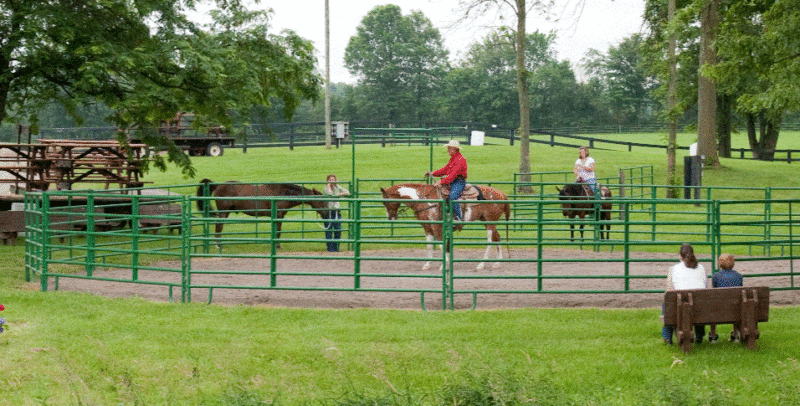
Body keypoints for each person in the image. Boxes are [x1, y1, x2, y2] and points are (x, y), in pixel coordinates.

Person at [662, 243, 708, 345]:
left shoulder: (674, 268)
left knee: (667, 303)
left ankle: (667, 337)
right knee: (700, 299)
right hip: (698, 308)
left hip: (680, 306)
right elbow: (705, 287)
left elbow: (669, 289)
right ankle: (699, 335)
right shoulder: (701, 268)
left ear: (680, 256)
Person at [424, 140, 468, 230]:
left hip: (459, 181)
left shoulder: (460, 159)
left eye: (449, 148)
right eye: (448, 148)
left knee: (452, 196)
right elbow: (445, 170)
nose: (448, 150)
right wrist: (433, 173)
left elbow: (453, 175)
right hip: (453, 181)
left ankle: (458, 218)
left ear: (455, 149)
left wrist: (441, 182)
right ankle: (446, 215)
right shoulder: (453, 158)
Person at [708, 253, 744, 343]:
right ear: (733, 263)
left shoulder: (716, 276)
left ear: (720, 264)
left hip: (718, 309)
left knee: (712, 304)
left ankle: (712, 334)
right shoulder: (739, 277)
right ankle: (735, 333)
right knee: (736, 304)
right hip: (735, 309)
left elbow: (715, 292)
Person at [323, 174, 349, 252]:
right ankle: (330, 249)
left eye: (333, 179)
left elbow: (347, 192)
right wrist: (328, 185)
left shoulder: (337, 187)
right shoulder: (326, 188)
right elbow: (329, 194)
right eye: (330, 180)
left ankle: (336, 248)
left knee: (338, 230)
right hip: (329, 212)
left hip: (337, 211)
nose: (332, 181)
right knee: (329, 230)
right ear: (327, 181)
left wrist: (339, 194)